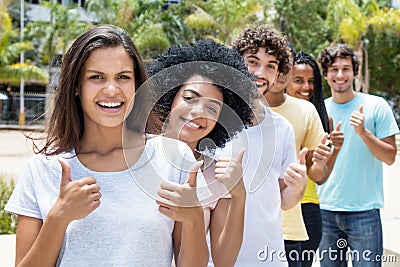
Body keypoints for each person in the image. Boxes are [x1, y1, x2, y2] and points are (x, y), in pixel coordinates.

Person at [5, 25, 209, 267]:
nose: (111, 90)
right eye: (96, 77)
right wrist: (58, 218)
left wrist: (195, 218)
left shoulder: (173, 157)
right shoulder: (43, 169)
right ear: (76, 87)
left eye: (123, 77)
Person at [147, 39, 256, 266]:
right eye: (189, 98)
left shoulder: (216, 174)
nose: (198, 112)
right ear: (170, 96)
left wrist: (238, 196)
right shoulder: (135, 155)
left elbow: (224, 260)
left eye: (212, 108)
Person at [219, 24, 309, 266]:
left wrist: (298, 186)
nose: (261, 72)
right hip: (214, 258)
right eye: (252, 61)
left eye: (271, 66)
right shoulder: (209, 121)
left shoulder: (282, 129)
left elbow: (283, 201)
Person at [317, 43, 399, 267]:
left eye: (346, 68)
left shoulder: (376, 106)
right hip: (325, 211)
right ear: (325, 74)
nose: (340, 75)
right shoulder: (318, 111)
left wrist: (363, 133)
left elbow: (391, 157)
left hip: (364, 213)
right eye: (334, 69)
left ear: (354, 72)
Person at [283, 50, 344, 267]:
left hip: (308, 208)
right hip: (280, 208)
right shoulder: (270, 114)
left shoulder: (320, 116)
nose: (307, 87)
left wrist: (333, 151)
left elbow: (319, 177)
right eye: (299, 80)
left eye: (311, 81)